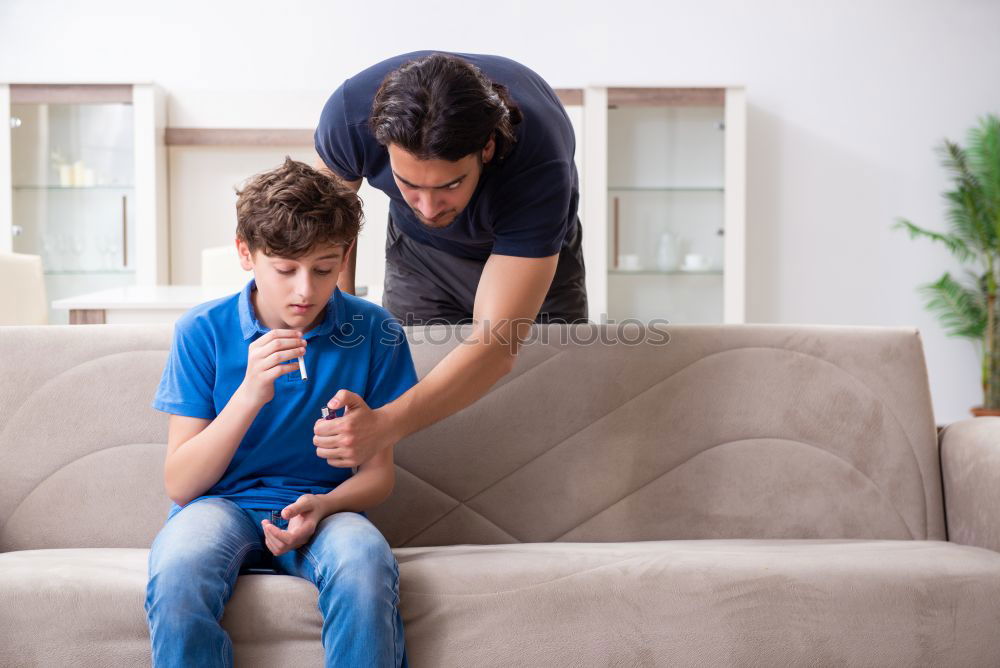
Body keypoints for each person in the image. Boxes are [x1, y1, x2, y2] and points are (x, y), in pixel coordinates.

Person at [144, 157, 415, 668]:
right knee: (179, 567)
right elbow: (181, 483)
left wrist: (325, 505)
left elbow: (379, 479)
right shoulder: (202, 330)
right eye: (285, 269)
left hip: (326, 507)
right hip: (217, 505)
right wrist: (249, 393)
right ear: (246, 253)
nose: (305, 292)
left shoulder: (375, 332)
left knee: (363, 563)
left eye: (324, 269)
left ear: (345, 256)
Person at [311, 50, 586, 471]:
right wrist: (342, 325)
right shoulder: (349, 118)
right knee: (412, 381)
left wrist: (382, 426)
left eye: (449, 184)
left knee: (546, 406)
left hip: (531, 254)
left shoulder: (539, 161)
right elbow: (326, 232)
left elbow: (496, 346)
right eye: (408, 184)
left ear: (487, 148)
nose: (428, 206)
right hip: (422, 257)